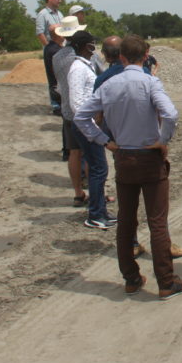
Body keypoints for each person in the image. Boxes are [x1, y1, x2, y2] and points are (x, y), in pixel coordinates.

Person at [74, 35, 182, 300]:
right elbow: (171, 114)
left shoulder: (108, 85)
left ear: (122, 57)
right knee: (157, 222)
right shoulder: (150, 82)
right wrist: (162, 141)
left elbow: (81, 116)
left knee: (126, 221)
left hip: (124, 156)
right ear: (145, 55)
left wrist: (105, 141)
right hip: (149, 157)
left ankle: (131, 278)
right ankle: (166, 281)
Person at [65, 31, 115, 230]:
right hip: (85, 126)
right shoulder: (77, 68)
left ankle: (101, 211)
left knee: (99, 170)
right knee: (98, 170)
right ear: (87, 46)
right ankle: (95, 214)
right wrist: (93, 129)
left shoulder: (84, 66)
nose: (95, 47)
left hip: (89, 125)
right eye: (93, 44)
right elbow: (77, 103)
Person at [53, 16, 89, 207]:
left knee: (74, 152)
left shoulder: (56, 57)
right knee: (91, 153)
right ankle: (95, 192)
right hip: (85, 110)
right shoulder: (83, 56)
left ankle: (78, 193)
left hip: (67, 110)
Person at [36, 0, 64, 115]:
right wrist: (49, 48)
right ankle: (56, 104)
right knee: (53, 78)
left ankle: (63, 101)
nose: (60, 1)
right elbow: (40, 33)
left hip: (61, 48)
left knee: (61, 77)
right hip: (51, 50)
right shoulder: (42, 14)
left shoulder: (60, 14)